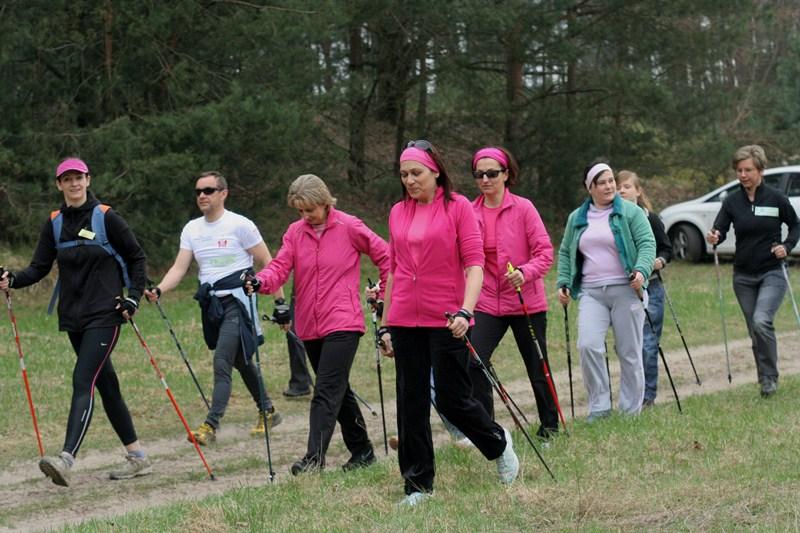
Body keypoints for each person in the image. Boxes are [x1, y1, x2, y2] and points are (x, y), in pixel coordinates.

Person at [378, 140, 519, 507]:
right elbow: (392, 269)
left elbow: (474, 264)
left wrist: (466, 311)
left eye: (416, 173)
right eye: (404, 174)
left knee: (454, 399)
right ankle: (418, 486)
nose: (410, 180)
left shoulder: (458, 209)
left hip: (449, 317)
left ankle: (498, 443)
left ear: (435, 171)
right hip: (406, 317)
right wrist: (385, 323)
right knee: (411, 402)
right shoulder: (397, 212)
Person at [0, 157, 151, 486]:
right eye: (67, 179)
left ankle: (66, 458)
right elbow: (37, 268)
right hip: (74, 318)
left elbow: (137, 257)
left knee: (83, 379)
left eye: (79, 178)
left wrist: (133, 296)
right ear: (59, 185)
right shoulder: (54, 223)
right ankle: (138, 457)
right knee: (106, 386)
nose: (74, 184)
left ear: (88, 179)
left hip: (106, 313)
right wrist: (12, 279)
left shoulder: (107, 217)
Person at [245, 174, 390, 474]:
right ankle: (362, 452)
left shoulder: (350, 226)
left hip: (344, 321)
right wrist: (259, 282)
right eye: (299, 211)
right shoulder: (296, 233)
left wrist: (385, 294)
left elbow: (387, 257)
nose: (305, 216)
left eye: (310, 209)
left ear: (325, 202)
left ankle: (314, 459)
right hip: (310, 324)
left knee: (325, 390)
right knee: (338, 389)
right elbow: (279, 267)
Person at [145, 171, 282, 445]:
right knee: (241, 361)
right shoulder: (192, 229)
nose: (202, 196)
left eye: (208, 190)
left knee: (222, 361)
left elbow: (269, 262)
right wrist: (160, 289)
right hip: (211, 304)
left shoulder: (240, 225)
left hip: (239, 302)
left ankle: (210, 426)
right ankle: (268, 410)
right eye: (198, 192)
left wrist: (281, 302)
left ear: (223, 193)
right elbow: (179, 268)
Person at [468, 146, 559, 439]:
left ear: (507, 174)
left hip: (525, 301)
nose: (485, 179)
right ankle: (489, 431)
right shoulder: (469, 212)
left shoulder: (523, 208)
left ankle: (549, 426)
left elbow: (544, 252)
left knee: (536, 365)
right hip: (485, 302)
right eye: (479, 174)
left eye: (492, 173)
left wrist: (525, 272)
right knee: (475, 362)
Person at [556, 160, 656, 421]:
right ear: (590, 188)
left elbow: (647, 243)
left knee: (629, 351)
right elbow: (566, 252)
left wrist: (642, 271)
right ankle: (599, 407)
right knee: (588, 345)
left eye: (611, 179)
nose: (609, 185)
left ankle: (629, 410)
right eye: (602, 182)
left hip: (626, 288)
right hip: (591, 291)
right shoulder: (576, 218)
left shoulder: (631, 212)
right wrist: (563, 282)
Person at [706, 145, 799, 397]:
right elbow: (720, 229)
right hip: (743, 276)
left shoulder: (776, 198)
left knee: (761, 321)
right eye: (739, 170)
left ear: (760, 170)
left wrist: (787, 246)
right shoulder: (732, 202)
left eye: (748, 170)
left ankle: (770, 377)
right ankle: (764, 378)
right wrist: (715, 235)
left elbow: (795, 226)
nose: (743, 175)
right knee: (754, 330)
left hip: (773, 272)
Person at [617, 170, 672, 408]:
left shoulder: (651, 219)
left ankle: (647, 396)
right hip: (624, 289)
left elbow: (666, 249)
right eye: (618, 187)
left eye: (627, 186)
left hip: (653, 287)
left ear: (638, 191)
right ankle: (632, 391)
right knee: (628, 344)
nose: (621, 190)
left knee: (648, 343)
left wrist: (658, 262)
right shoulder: (613, 220)